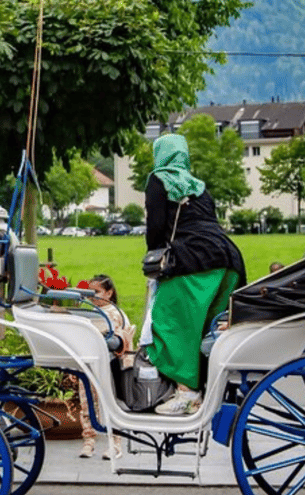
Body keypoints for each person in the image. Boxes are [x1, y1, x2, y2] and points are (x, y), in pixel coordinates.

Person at [142, 134, 246, 416]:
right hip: (229, 261)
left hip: (194, 260)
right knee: (207, 328)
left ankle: (187, 394)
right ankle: (209, 388)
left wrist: (154, 260)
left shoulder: (159, 179)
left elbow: (156, 226)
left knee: (169, 322)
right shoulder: (199, 186)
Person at [78, 274, 135, 460]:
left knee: (110, 403)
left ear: (109, 293)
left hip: (111, 365)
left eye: (96, 292)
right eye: (89, 292)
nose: (92, 296)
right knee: (86, 402)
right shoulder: (90, 311)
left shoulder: (113, 313)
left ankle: (115, 443)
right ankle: (89, 442)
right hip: (90, 362)